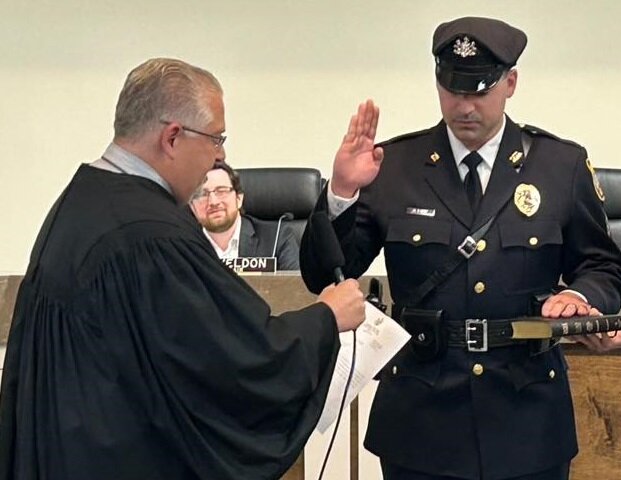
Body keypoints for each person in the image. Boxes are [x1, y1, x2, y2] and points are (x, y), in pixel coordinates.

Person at [0, 58, 366, 480]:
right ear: (173, 137)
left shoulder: (83, 198)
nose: (221, 155)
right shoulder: (150, 234)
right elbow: (234, 359)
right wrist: (327, 319)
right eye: (216, 138)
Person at [300, 16, 621, 480]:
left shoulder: (560, 165)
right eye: (453, 89)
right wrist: (342, 195)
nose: (465, 105)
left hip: (528, 417)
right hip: (421, 420)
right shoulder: (393, 165)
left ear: (510, 83)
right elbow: (324, 275)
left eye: (479, 90)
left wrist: (581, 298)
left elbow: (603, 266)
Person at [190, 161, 300, 270]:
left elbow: (294, 286)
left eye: (221, 191)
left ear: (239, 199)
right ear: (192, 206)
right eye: (202, 194)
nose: (213, 202)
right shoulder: (179, 245)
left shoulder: (277, 238)